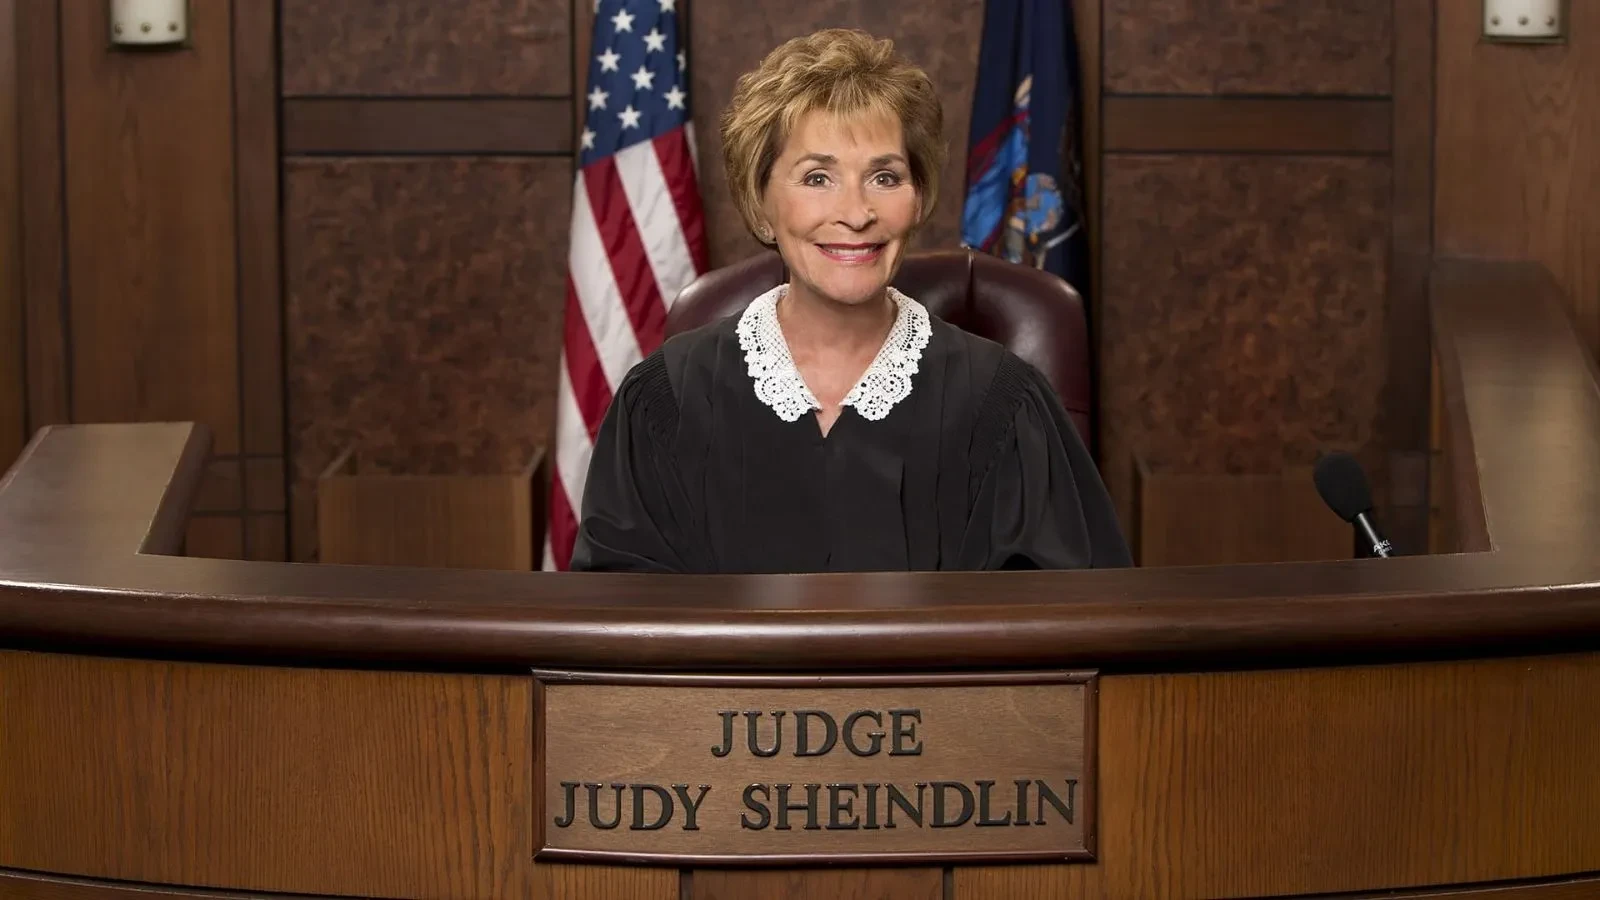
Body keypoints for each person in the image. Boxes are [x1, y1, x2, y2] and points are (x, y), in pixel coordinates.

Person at [571, 28, 1130, 574]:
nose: (856, 212)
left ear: (917, 200)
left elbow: (1073, 629)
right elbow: (621, 637)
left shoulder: (1006, 404)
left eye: (885, 177)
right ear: (761, 203)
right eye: (818, 178)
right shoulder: (664, 400)